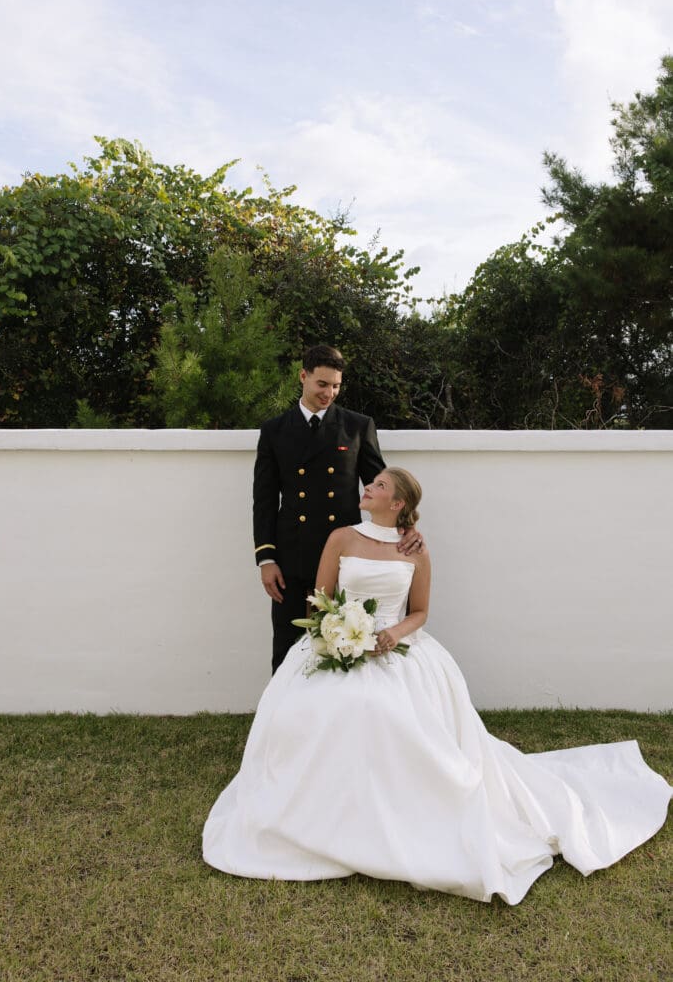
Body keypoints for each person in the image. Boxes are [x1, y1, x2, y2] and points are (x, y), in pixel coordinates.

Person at [204, 467, 671, 905]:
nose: (369, 487)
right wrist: (335, 632)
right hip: (336, 643)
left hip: (395, 647)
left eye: (380, 485)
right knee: (311, 712)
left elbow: (420, 612)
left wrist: (388, 635)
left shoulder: (415, 548)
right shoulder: (341, 537)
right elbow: (320, 597)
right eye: (373, 483)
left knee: (384, 713)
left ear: (399, 502)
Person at [253, 344, 420, 673]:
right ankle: (284, 721)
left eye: (336, 386)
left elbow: (383, 487)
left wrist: (407, 527)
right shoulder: (275, 430)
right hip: (292, 557)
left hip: (347, 557)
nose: (329, 393)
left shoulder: (357, 426)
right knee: (288, 647)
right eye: (322, 384)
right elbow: (265, 498)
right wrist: (266, 558)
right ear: (304, 376)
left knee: (343, 647)